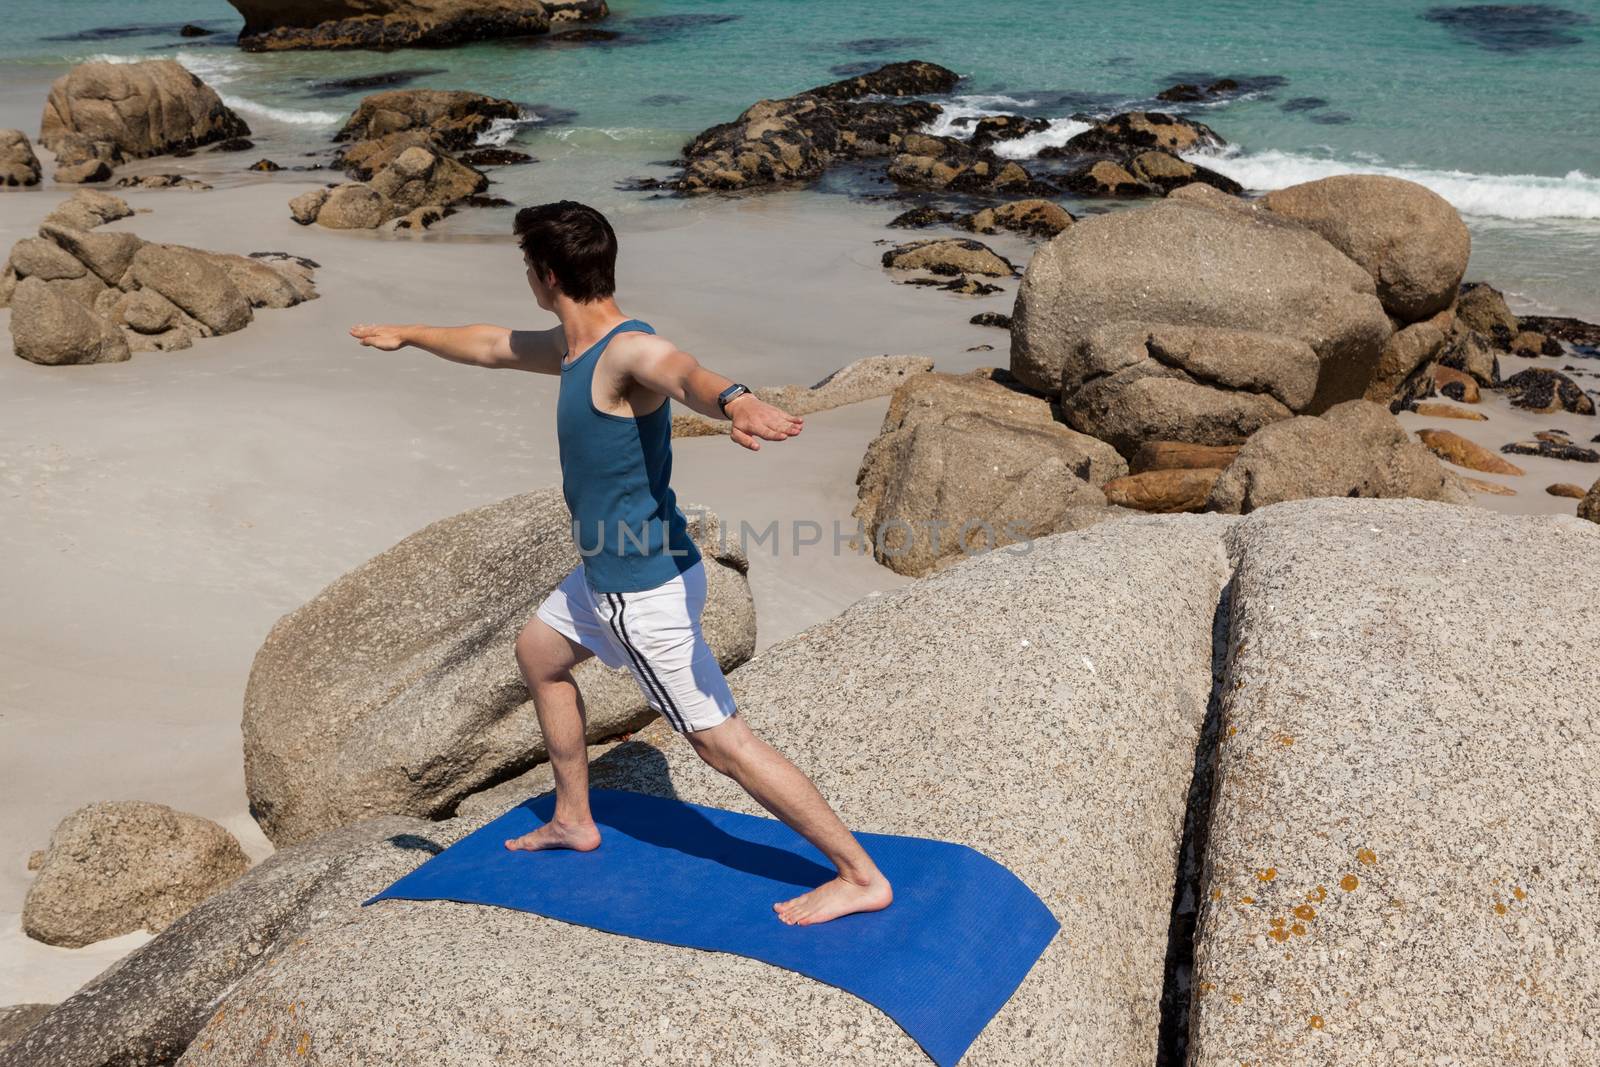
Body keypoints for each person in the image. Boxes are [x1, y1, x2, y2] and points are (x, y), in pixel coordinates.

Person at [349, 200, 892, 927]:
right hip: (628, 568)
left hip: (641, 590)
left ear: (544, 275)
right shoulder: (573, 348)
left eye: (526, 267)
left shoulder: (624, 353)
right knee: (539, 653)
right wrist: (409, 334)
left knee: (718, 740)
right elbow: (488, 343)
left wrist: (733, 399)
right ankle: (575, 817)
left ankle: (860, 874)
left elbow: (681, 370)